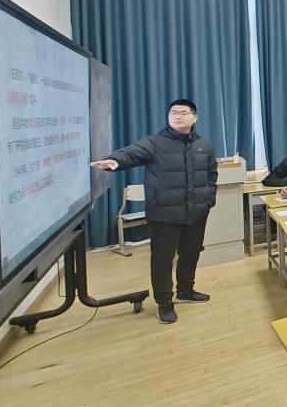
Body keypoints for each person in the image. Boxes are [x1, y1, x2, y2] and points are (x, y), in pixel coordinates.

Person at [90, 99, 217, 325]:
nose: (178, 116)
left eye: (183, 112)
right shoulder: (155, 142)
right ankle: (164, 302)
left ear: (194, 117)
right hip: (164, 215)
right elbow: (132, 153)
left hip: (197, 213)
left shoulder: (204, 145)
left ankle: (186, 290)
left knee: (191, 253)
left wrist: (208, 200)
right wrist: (114, 160)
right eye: (173, 112)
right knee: (162, 260)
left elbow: (211, 175)